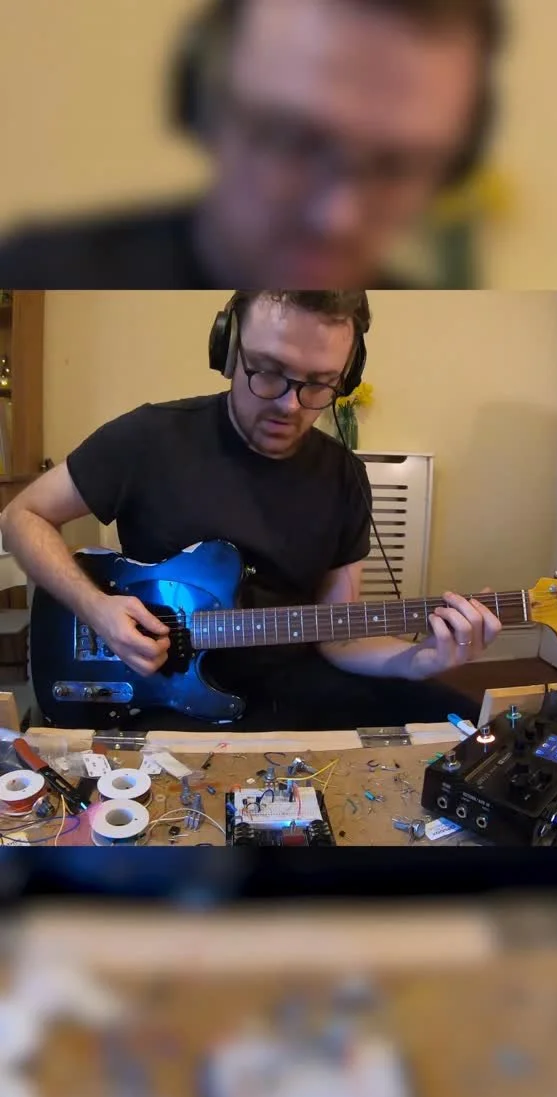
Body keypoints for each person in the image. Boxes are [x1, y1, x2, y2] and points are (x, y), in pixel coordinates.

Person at [0, 290, 501, 732]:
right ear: (227, 348)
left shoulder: (344, 476)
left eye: (319, 383)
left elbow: (342, 640)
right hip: (163, 688)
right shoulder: (148, 438)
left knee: (466, 727)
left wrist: (419, 658)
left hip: (296, 684)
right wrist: (95, 608)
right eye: (268, 371)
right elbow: (22, 517)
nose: (290, 405)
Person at [0, 0, 504, 290]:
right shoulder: (34, 274)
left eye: (397, 166)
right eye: (294, 141)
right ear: (203, 103)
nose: (336, 218)